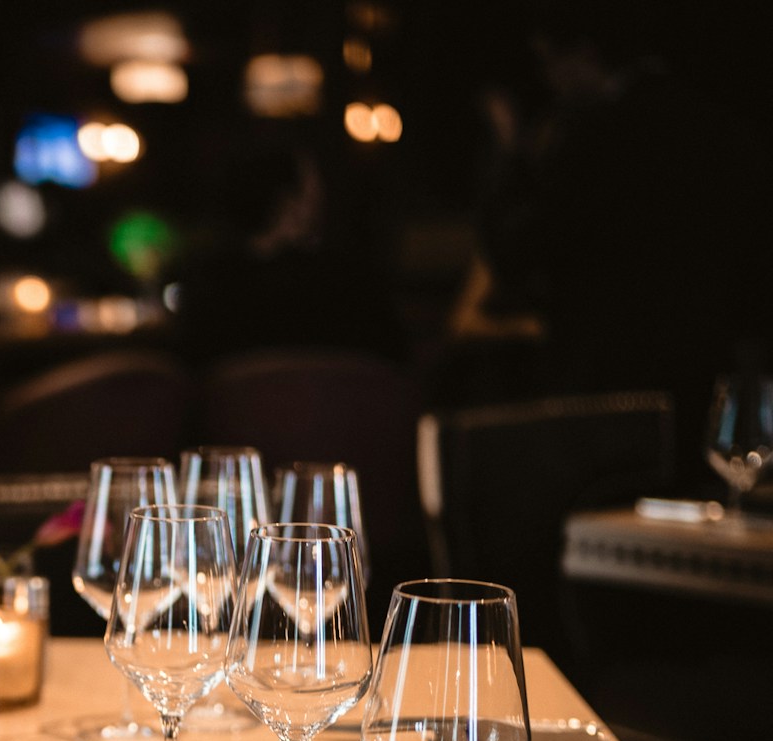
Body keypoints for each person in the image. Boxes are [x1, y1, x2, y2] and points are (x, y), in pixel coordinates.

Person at [479, 1, 773, 482]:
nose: (549, 77)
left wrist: (508, 154)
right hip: (706, 379)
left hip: (603, 388)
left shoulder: (593, 138)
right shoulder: (721, 128)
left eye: (550, 60)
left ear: (585, 54)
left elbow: (519, 250)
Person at [170, 144, 407, 366]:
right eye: (313, 186)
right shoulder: (347, 285)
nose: (321, 196)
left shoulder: (208, 287)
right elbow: (395, 362)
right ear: (289, 203)